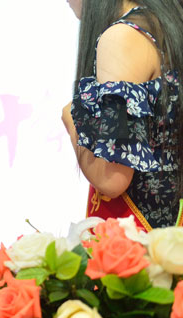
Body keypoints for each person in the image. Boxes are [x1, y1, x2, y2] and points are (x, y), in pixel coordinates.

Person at [62, 0, 183, 230]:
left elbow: (112, 177)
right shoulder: (168, 23)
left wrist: (71, 119)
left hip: (147, 238)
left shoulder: (122, 37)